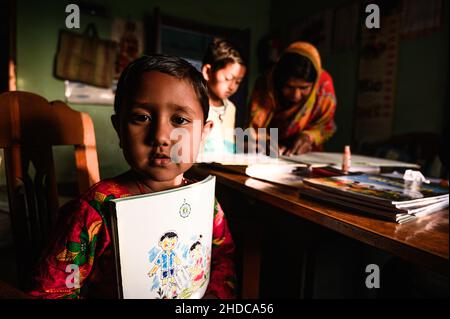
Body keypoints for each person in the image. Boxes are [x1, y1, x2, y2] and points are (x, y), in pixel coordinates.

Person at [28, 55, 236, 299]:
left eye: (179, 120)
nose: (160, 136)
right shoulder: (94, 209)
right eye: (142, 118)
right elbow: (50, 292)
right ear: (119, 129)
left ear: (203, 134)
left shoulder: (206, 204)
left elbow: (223, 259)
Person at [249, 41, 337, 155]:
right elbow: (254, 127)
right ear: (280, 81)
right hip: (267, 151)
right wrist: (267, 143)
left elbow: (325, 124)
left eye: (304, 88)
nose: (296, 95)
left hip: (306, 153)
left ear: (314, 84)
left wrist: (308, 137)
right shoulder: (266, 84)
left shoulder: (324, 85)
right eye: (289, 87)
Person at [201, 38, 246, 155]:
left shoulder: (231, 108)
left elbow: (229, 148)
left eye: (238, 82)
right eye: (228, 78)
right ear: (207, 72)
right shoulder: (194, 105)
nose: (232, 87)